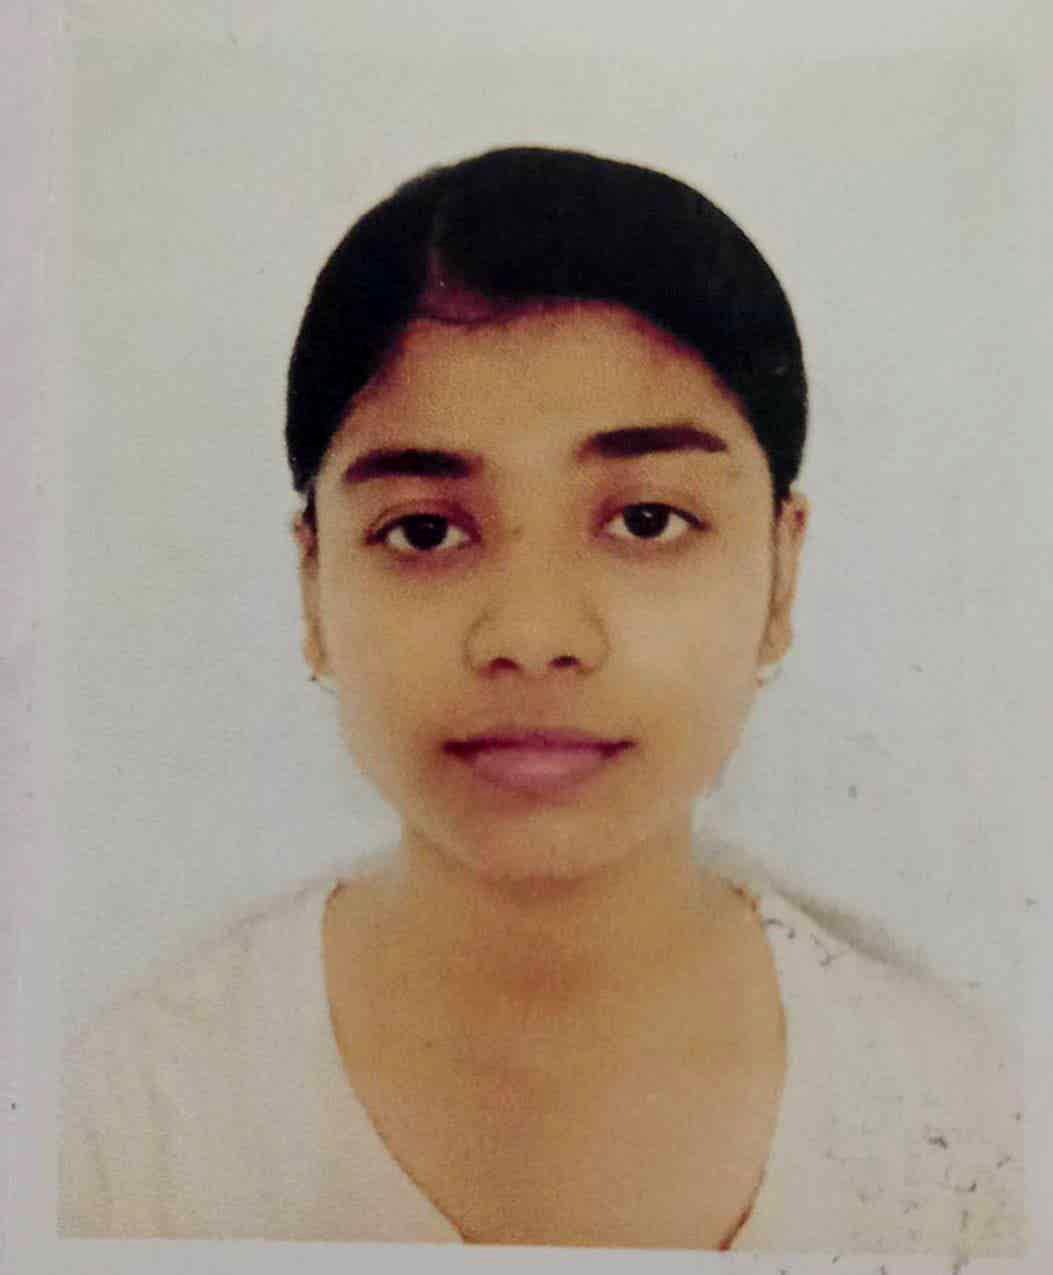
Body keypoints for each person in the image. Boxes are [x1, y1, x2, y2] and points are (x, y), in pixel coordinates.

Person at [59, 146, 1027, 1253]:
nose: (531, 637)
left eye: (647, 521)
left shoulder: (959, 1123)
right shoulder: (131, 1126)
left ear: (781, 574)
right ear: (313, 581)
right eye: (426, 530)